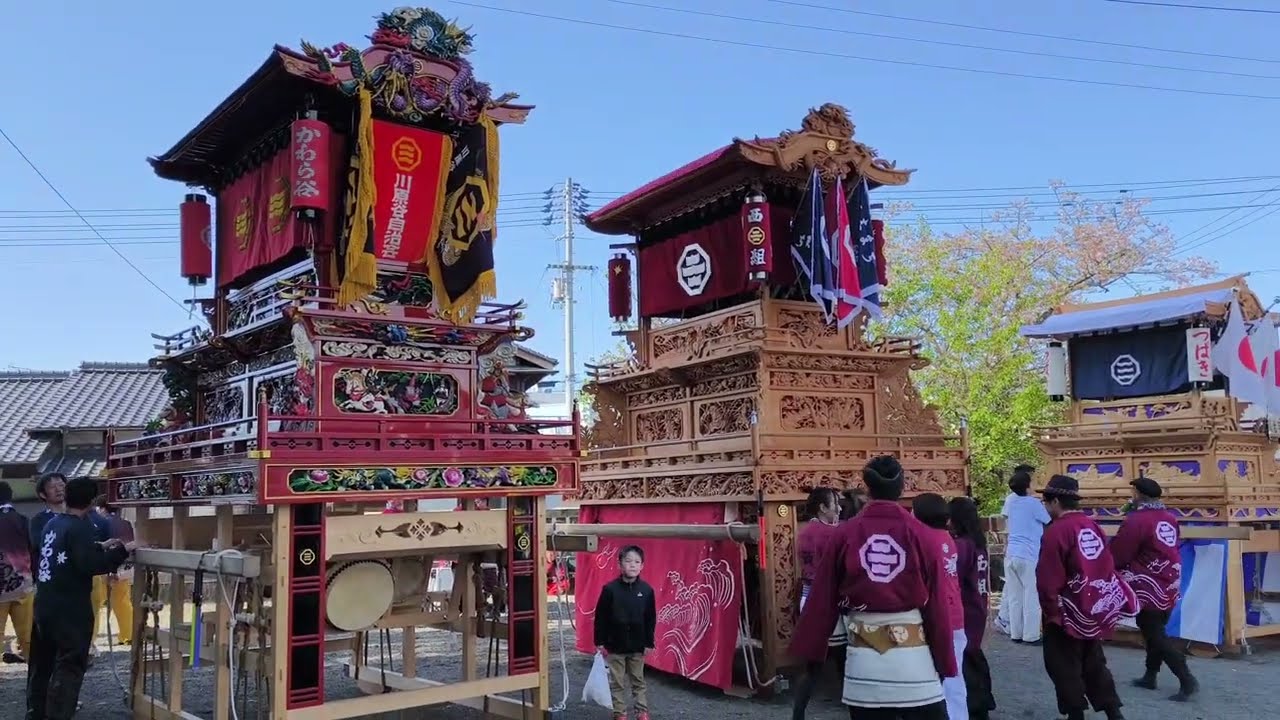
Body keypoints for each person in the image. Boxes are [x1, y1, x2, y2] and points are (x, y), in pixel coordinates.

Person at [791, 455, 956, 720]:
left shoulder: (843, 534)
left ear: (867, 488)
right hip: (915, 661)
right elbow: (937, 605)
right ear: (902, 487)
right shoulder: (923, 535)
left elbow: (822, 597)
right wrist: (945, 660)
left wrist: (810, 647)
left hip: (864, 661)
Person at [27, 476, 133, 720]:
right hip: (69, 607)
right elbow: (89, 564)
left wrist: (100, 545)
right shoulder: (81, 526)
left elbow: (69, 551)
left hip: (45, 602)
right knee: (70, 664)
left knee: (42, 663)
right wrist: (123, 550)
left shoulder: (52, 523)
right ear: (92, 500)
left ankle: (36, 713)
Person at [1037, 475, 1134, 720]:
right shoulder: (1092, 526)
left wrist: (1051, 610)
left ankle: (1075, 713)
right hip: (1094, 606)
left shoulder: (1056, 531)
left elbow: (1049, 576)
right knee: (1093, 662)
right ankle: (1113, 712)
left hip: (1067, 610)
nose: (1045, 507)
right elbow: (1107, 565)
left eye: (1046, 502)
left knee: (1062, 664)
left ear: (1055, 501)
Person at [1109, 477, 1198, 701]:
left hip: (1146, 581)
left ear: (1138, 494)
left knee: (1153, 632)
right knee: (1154, 628)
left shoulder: (1137, 520)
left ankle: (1185, 677)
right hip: (1169, 579)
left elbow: (1121, 552)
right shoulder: (1169, 517)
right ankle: (1150, 675)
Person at [792, 487, 847, 720]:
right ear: (823, 508)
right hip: (826, 601)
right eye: (835, 504)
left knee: (813, 665)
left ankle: (798, 714)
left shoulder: (805, 531)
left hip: (808, 596)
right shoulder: (832, 533)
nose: (840, 508)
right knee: (844, 661)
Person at [912, 493, 966, 720]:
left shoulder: (924, 540)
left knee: (939, 677)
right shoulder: (945, 537)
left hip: (939, 614)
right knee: (955, 675)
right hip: (955, 612)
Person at [593, 544, 656, 720]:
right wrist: (599, 641)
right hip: (615, 644)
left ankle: (642, 711)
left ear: (642, 566)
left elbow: (650, 619)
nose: (632, 565)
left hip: (638, 645)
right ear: (620, 564)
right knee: (617, 681)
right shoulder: (610, 589)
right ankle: (619, 713)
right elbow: (601, 617)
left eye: (637, 562)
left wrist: (649, 642)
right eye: (628, 561)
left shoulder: (646, 590)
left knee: (638, 680)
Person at [949, 496, 996, 720]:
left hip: (965, 607)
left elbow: (953, 578)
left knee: (966, 658)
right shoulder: (978, 543)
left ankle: (975, 705)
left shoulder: (961, 546)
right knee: (974, 654)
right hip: (978, 605)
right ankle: (983, 701)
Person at [1002, 465, 1051, 644]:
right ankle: (1031, 635)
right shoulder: (1033, 503)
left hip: (1011, 552)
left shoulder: (1010, 500)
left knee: (1015, 596)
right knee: (1031, 595)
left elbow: (1006, 517)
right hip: (1028, 554)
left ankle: (1016, 633)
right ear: (1028, 486)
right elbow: (1048, 520)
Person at [89, 495, 135, 646]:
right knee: (122, 602)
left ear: (102, 508)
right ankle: (128, 634)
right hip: (122, 569)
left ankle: (91, 639)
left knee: (94, 606)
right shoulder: (124, 523)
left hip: (101, 568)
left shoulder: (97, 522)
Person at [994, 464, 1032, 637]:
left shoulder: (1024, 499)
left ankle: (1011, 619)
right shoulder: (1013, 499)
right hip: (1017, 546)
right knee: (1012, 585)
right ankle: (1004, 618)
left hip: (1023, 546)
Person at [1, 481, 34, 664]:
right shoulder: (22, 520)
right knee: (28, 635)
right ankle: (36, 672)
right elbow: (33, 549)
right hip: (23, 583)